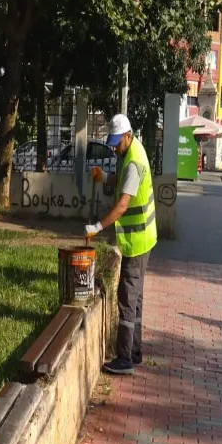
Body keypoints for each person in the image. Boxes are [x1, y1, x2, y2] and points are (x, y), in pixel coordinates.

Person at [85, 114, 157, 375]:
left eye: (117, 143)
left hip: (138, 241)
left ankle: (125, 358)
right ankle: (135, 352)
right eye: (112, 143)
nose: (114, 148)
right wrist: (104, 177)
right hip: (143, 238)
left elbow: (123, 204)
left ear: (129, 135)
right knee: (135, 299)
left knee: (127, 297)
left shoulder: (133, 161)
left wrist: (97, 227)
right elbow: (123, 184)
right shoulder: (131, 153)